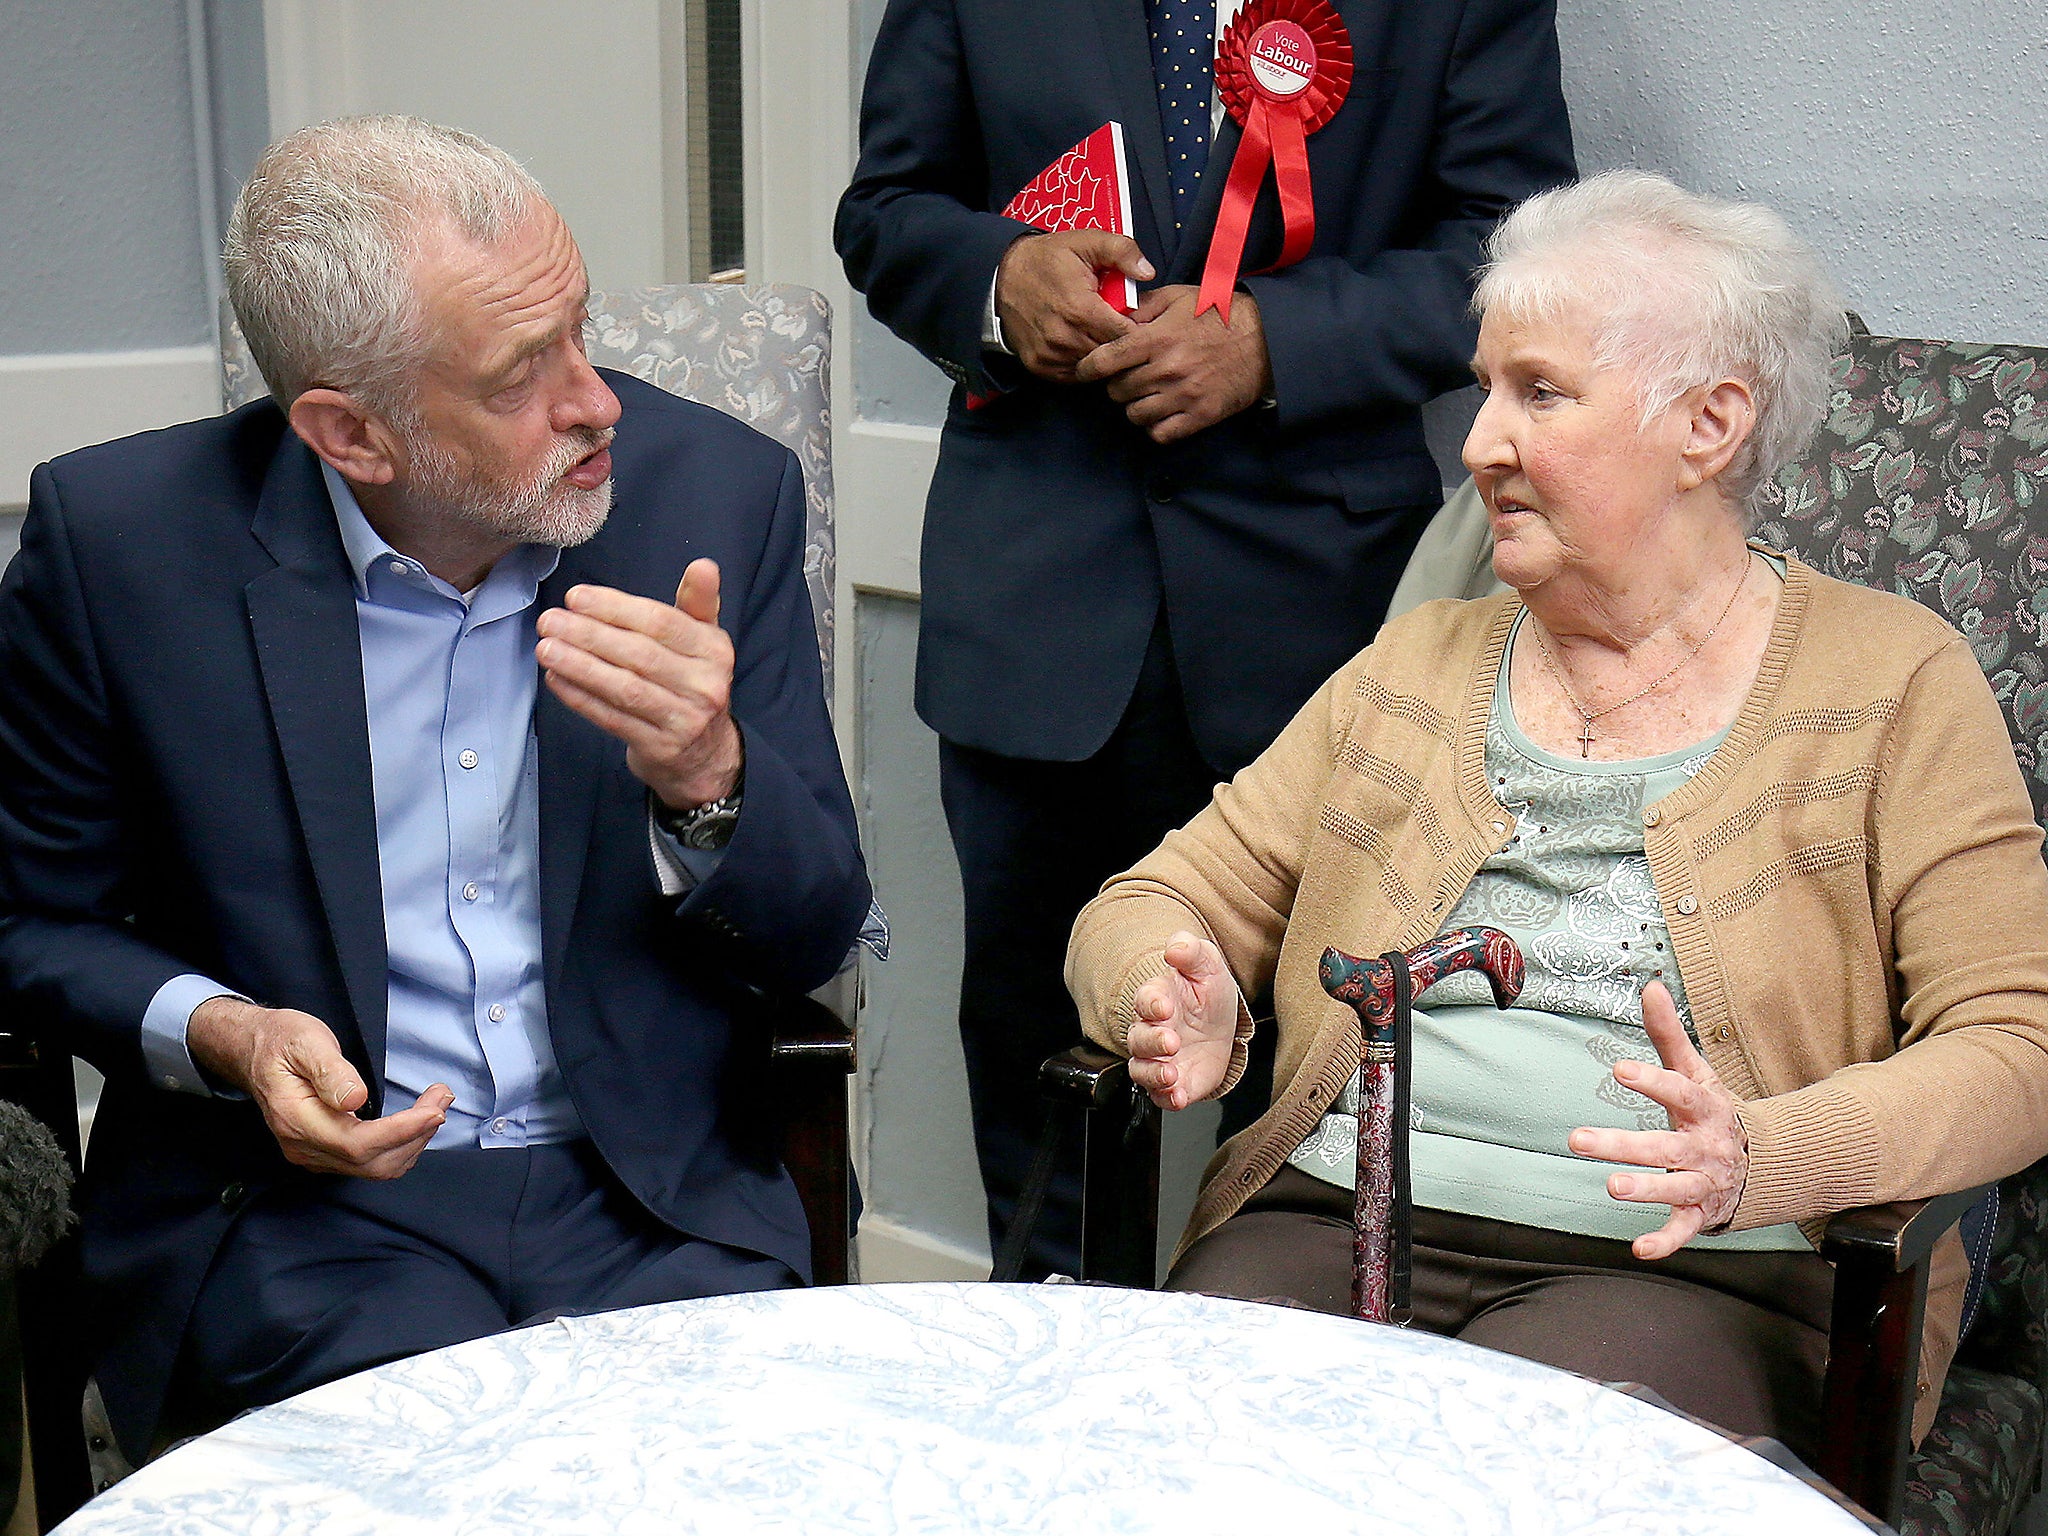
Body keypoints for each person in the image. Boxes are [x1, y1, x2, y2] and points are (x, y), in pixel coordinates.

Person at [1065, 170, 2048, 1455]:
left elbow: (2017, 1041)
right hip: (1334, 1216)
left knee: (1520, 1464)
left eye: (1538, 392)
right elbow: (1150, 897)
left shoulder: (1888, 682)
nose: (1478, 442)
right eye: (1484, 388)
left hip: (1687, 1267)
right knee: (1167, 1435)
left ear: (1707, 427)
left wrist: (1766, 1152)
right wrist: (1163, 984)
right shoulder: (1416, 665)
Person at [0, 116, 874, 1461]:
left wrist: (712, 782)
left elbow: (816, 927)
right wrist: (224, 1031)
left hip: (644, 1199)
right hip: (301, 1222)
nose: (598, 403)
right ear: (350, 433)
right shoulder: (121, 549)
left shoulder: (712, 498)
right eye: (525, 372)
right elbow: (33, 923)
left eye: (581, 330)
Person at [835, 0, 1576, 1274]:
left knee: (1312, 1087)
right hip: (1037, 612)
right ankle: (1051, 1385)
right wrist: (999, 284)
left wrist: (1279, 343)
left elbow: (1518, 254)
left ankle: (1250, 1404)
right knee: (1038, 1065)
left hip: (1322, 620)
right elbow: (888, 211)